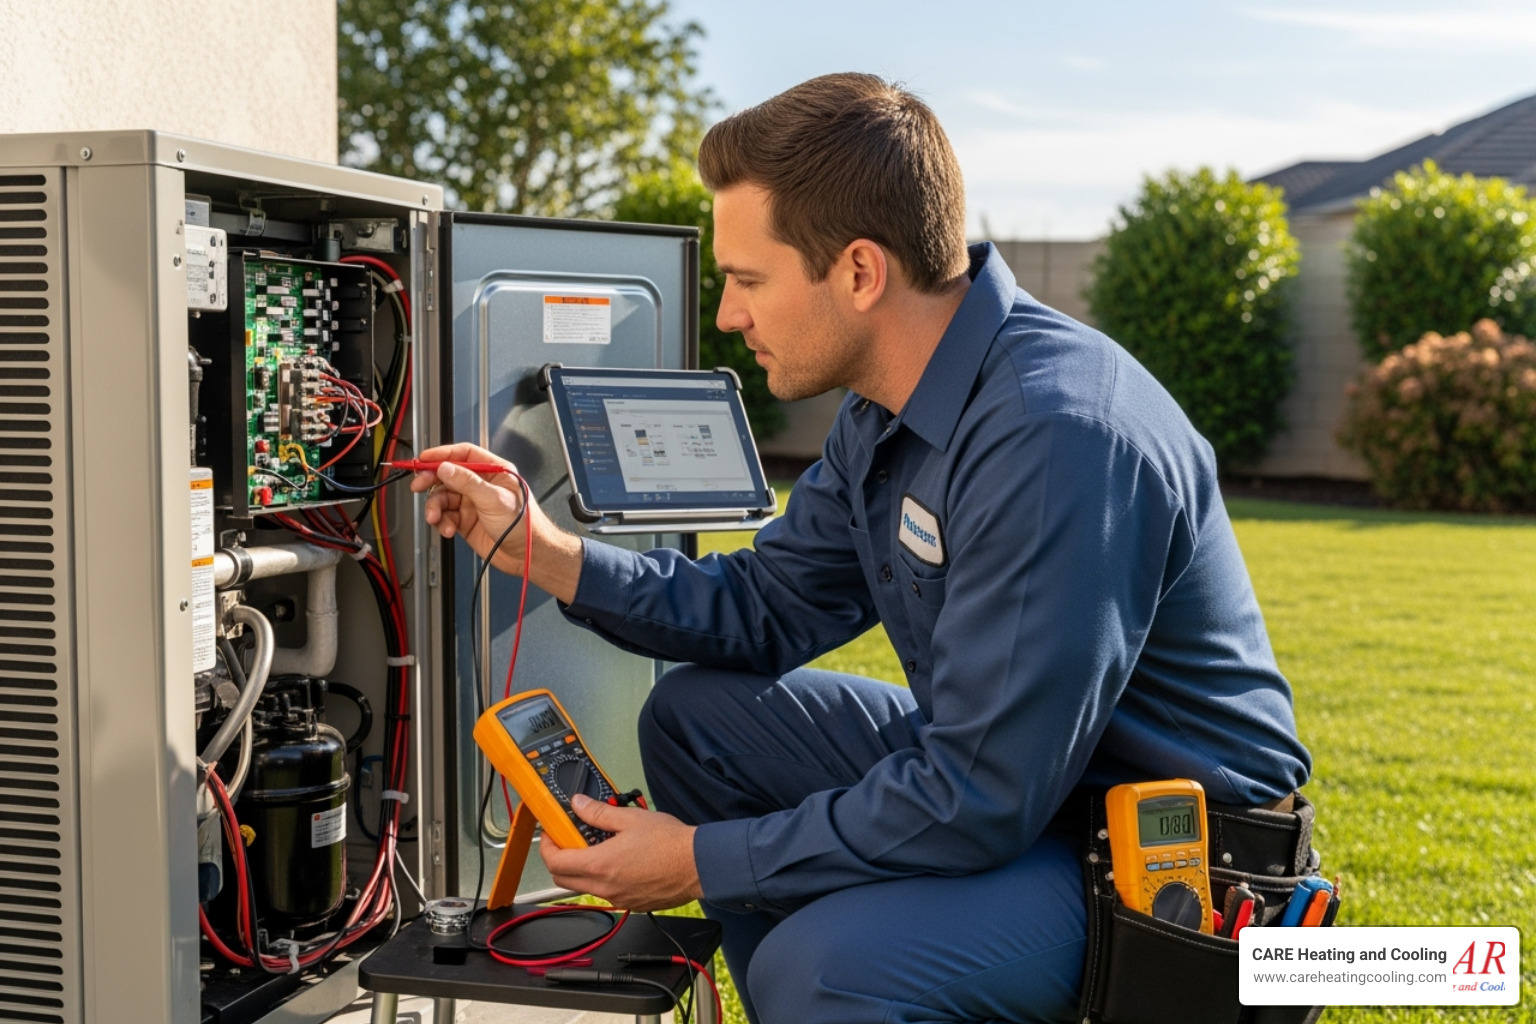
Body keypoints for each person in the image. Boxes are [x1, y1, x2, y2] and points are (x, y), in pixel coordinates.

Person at [413, 72, 1311, 1024]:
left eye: (749, 279)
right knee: (697, 722)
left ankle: (836, 987)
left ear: (859, 272)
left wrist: (698, 860)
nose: (726, 314)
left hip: (1175, 864)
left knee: (828, 967)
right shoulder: (887, 413)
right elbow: (768, 606)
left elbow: (978, 793)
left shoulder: (1055, 435)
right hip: (1038, 789)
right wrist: (551, 555)